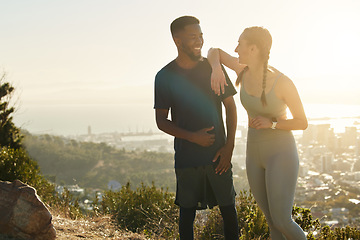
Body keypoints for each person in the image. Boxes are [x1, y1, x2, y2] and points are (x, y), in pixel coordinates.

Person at [208, 26, 308, 240]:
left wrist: (272, 124)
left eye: (240, 44)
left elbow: (302, 122)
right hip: (254, 154)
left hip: (281, 153)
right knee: (272, 223)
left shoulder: (282, 82)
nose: (235, 49)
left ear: (253, 49)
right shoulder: (241, 69)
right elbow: (214, 50)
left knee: (282, 220)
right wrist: (216, 67)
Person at [154, 16, 239, 240]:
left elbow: (230, 106)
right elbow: (161, 121)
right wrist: (193, 137)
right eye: (193, 37)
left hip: (218, 156)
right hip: (186, 159)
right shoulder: (164, 77)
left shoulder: (214, 70)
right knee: (186, 216)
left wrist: (229, 147)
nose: (199, 41)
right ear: (177, 40)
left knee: (229, 212)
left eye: (201, 36)